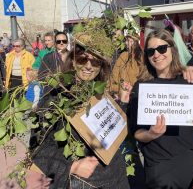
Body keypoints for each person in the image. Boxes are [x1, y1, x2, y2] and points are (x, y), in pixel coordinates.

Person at [31, 40, 130, 188]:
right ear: (73, 59)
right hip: (84, 183)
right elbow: (38, 147)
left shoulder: (100, 93)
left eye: (95, 62)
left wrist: (122, 103)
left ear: (101, 66)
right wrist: (72, 166)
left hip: (117, 178)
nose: (89, 66)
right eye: (83, 59)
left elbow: (112, 131)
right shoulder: (56, 96)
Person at [126, 29, 193, 189]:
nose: (156, 55)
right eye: (151, 51)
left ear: (172, 48)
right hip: (158, 167)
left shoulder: (189, 82)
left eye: (162, 48)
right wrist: (151, 134)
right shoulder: (142, 87)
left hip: (191, 162)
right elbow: (136, 132)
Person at [109, 33, 143, 98]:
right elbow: (114, 75)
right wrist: (115, 89)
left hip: (135, 95)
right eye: (127, 40)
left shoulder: (141, 57)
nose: (127, 43)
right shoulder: (123, 55)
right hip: (120, 94)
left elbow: (143, 77)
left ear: (136, 42)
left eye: (131, 41)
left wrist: (133, 89)